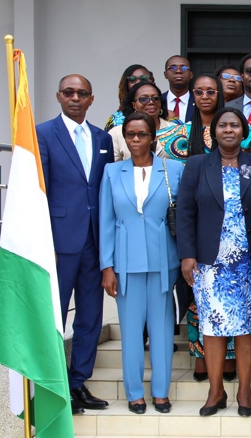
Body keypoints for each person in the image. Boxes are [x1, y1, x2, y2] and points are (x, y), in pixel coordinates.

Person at [178, 106, 251, 417]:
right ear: (214, 131)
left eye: (235, 125)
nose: (229, 130)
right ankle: (216, 390)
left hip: (249, 262)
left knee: (247, 327)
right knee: (212, 326)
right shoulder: (196, 166)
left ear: (243, 131)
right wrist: (187, 254)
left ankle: (245, 391)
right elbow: (185, 212)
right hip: (210, 263)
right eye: (223, 125)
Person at [36, 74, 114, 414]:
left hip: (94, 242)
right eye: (69, 92)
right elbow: (38, 190)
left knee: (90, 317)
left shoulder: (102, 138)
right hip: (59, 240)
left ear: (92, 99)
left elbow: (104, 190)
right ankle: (52, 387)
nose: (75, 98)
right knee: (54, 317)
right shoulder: (42, 134)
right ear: (58, 96)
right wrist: (43, 240)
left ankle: (77, 383)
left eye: (82, 93)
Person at [157, 76, 239, 381]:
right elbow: (184, 205)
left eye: (211, 91)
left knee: (231, 303)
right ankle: (201, 358)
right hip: (200, 239)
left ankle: (229, 362)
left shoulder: (241, 132)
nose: (205, 96)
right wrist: (186, 251)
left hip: (235, 243)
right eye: (199, 91)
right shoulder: (174, 133)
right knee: (198, 303)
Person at [100, 112, 182, 414]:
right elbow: (106, 222)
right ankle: (134, 392)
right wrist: (106, 266)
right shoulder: (111, 172)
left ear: (153, 137)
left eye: (142, 134)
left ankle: (161, 392)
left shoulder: (173, 169)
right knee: (131, 331)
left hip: (164, 260)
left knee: (161, 330)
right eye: (130, 135)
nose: (136, 140)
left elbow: (183, 217)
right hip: (125, 263)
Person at [109, 82, 176, 161]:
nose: (151, 102)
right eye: (144, 99)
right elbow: (113, 168)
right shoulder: (116, 133)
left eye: (155, 98)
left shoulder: (176, 130)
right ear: (134, 105)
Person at [104, 64, 154, 130]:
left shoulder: (167, 115)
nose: (138, 82)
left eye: (144, 78)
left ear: (153, 82)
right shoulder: (116, 119)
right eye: (132, 79)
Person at [162, 55, 194, 122]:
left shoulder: (199, 101)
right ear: (165, 74)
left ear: (191, 75)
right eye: (172, 68)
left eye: (184, 68)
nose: (178, 71)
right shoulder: (158, 101)